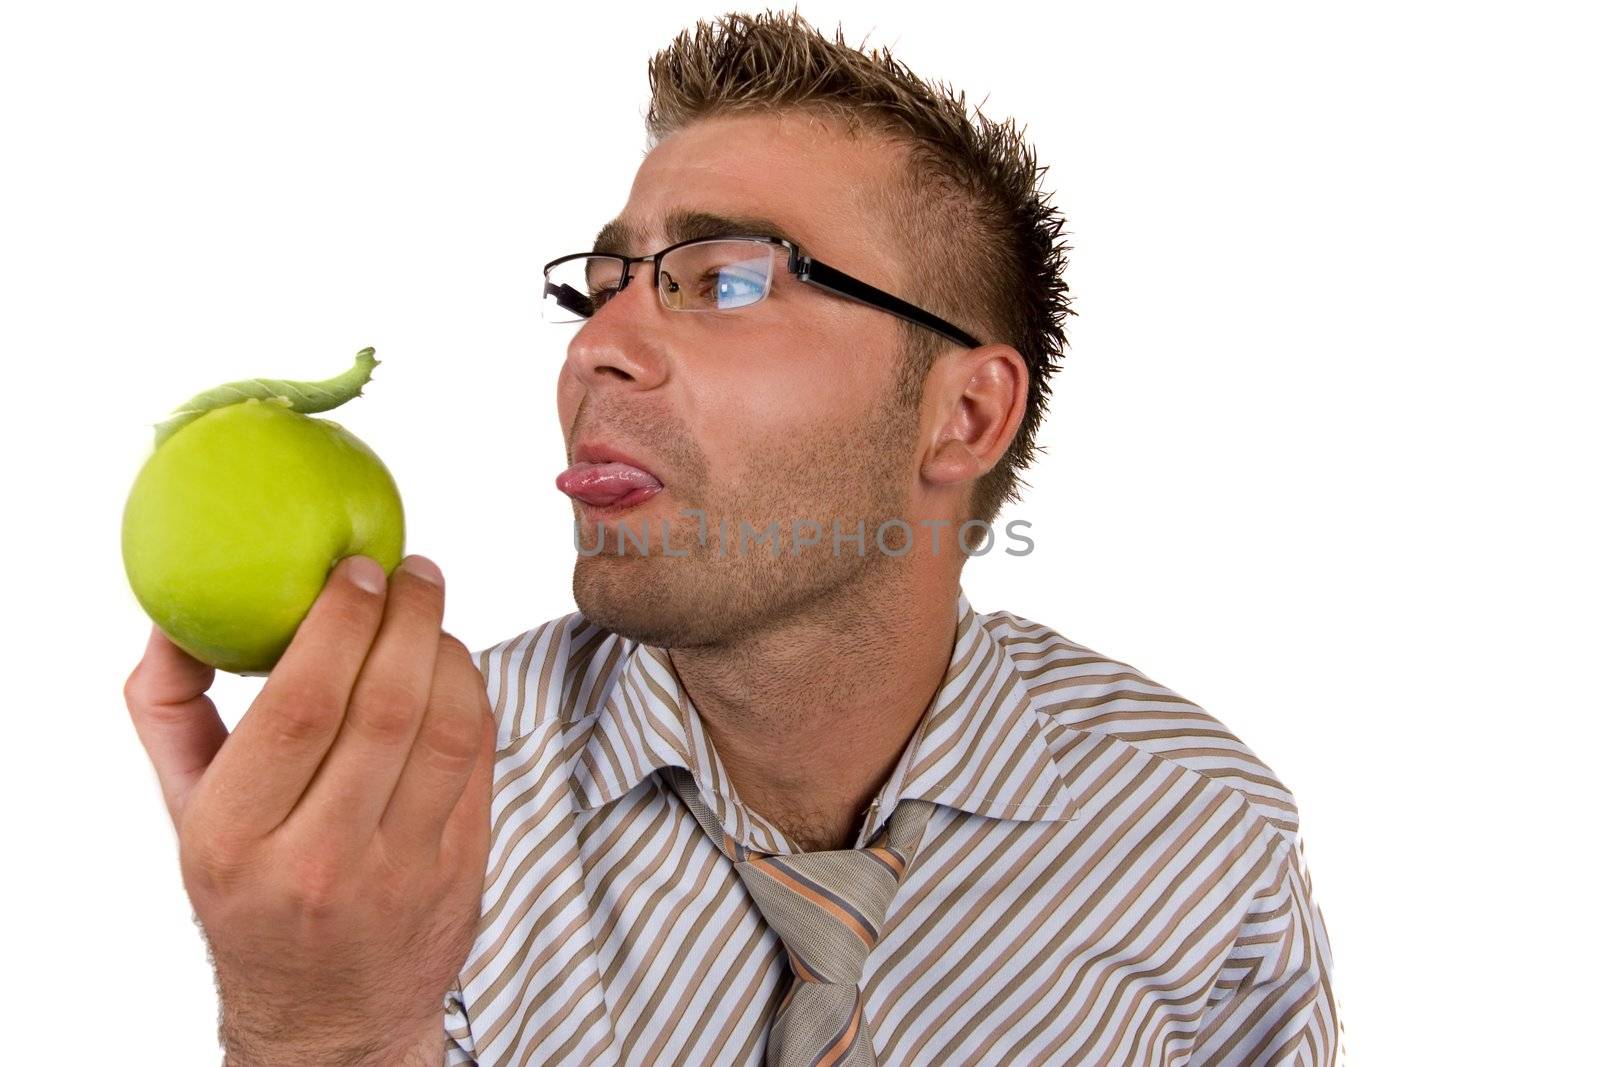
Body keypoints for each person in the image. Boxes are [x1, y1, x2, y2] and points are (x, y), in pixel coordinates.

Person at [124, 9, 1341, 1065]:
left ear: (964, 413)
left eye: (725, 280)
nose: (593, 344)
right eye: (602, 281)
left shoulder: (1202, 829)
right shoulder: (411, 813)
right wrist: (322, 1035)